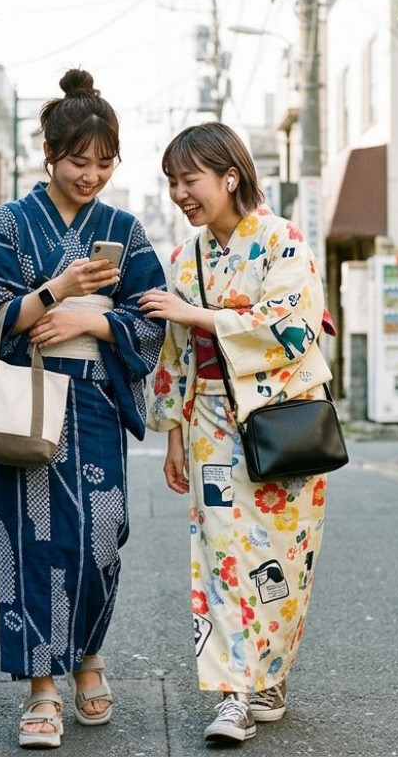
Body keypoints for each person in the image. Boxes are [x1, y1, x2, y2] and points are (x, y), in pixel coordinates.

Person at [0, 68, 167, 749]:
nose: (92, 175)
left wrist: (101, 323)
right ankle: (42, 689)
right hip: (30, 404)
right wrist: (55, 292)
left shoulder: (125, 229)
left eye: (105, 163)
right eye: (80, 161)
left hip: (97, 401)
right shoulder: (8, 223)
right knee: (33, 543)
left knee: (104, 538)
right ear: (48, 153)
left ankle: (88, 657)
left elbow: (149, 317)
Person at [140, 122, 335, 745]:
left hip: (281, 421)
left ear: (230, 176)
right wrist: (172, 434)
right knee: (222, 556)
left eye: (189, 179)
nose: (180, 193)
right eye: (171, 182)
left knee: (286, 560)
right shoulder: (183, 259)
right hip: (211, 426)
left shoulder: (283, 242)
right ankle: (233, 696)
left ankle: (269, 675)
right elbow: (175, 355)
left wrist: (198, 315)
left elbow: (293, 328)